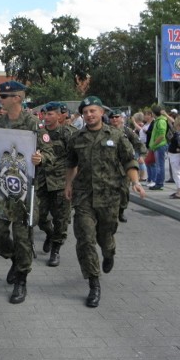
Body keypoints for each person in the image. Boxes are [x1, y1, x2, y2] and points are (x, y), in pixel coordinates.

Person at [0, 81, 53, 304]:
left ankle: (21, 279)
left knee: (22, 237)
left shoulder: (33, 123)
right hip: (2, 188)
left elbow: (49, 152)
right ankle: (15, 260)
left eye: (5, 96)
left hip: (25, 190)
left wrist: (41, 158)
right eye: (1, 96)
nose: (1, 99)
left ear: (17, 98)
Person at [65, 96, 145, 308]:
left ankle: (109, 252)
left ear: (101, 112)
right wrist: (68, 185)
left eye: (93, 111)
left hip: (109, 197)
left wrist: (135, 182)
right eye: (86, 112)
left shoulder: (117, 136)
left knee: (105, 236)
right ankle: (93, 283)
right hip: (84, 196)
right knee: (85, 239)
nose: (89, 115)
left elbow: (129, 160)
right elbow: (71, 164)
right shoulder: (76, 138)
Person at [35, 102, 72, 266]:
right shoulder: (38, 133)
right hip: (42, 182)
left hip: (60, 182)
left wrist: (71, 183)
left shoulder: (67, 133)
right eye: (45, 114)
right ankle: (49, 233)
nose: (47, 117)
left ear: (59, 116)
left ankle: (55, 250)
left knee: (61, 219)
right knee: (39, 216)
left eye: (51, 114)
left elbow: (75, 159)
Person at [109, 109, 146, 222]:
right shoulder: (106, 131)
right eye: (112, 117)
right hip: (109, 165)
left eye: (117, 117)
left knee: (124, 190)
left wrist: (142, 155)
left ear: (122, 118)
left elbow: (139, 144)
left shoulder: (127, 131)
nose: (115, 119)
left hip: (124, 165)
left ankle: (121, 210)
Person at [148, 105, 169, 190]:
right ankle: (158, 182)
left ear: (153, 113)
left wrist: (153, 145)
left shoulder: (160, 121)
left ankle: (159, 183)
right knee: (158, 165)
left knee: (160, 165)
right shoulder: (158, 120)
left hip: (160, 145)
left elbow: (161, 136)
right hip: (158, 145)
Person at [168, 116, 180, 200]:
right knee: (178, 172)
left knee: (177, 173)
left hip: (175, 155)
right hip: (176, 154)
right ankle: (179, 189)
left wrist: (178, 148)